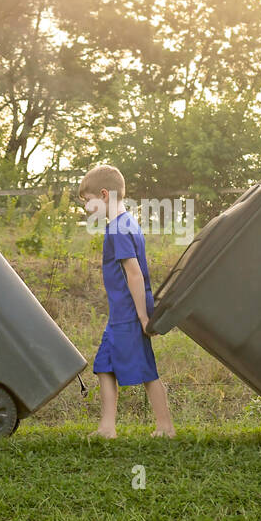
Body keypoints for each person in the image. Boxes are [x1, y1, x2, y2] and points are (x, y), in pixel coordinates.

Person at [78, 165, 175, 438]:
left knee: (145, 370)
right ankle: (107, 428)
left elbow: (134, 274)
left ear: (104, 195)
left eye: (88, 200)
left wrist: (143, 317)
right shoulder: (126, 223)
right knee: (104, 366)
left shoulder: (118, 230)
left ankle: (165, 427)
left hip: (130, 315)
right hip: (120, 314)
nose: (86, 207)